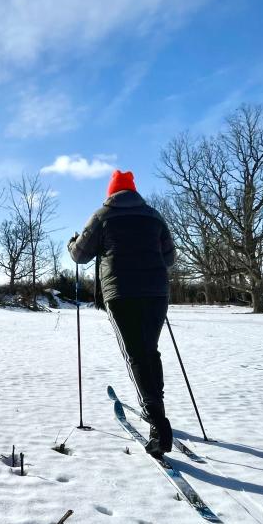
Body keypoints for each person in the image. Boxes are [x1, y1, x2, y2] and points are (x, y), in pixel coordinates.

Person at [68, 169, 176, 458]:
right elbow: (170, 257)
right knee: (149, 351)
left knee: (136, 355)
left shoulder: (102, 216)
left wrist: (72, 242)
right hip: (156, 293)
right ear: (134, 190)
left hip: (121, 293)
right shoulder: (154, 216)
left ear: (111, 192)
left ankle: (156, 421)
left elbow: (80, 255)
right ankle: (157, 410)